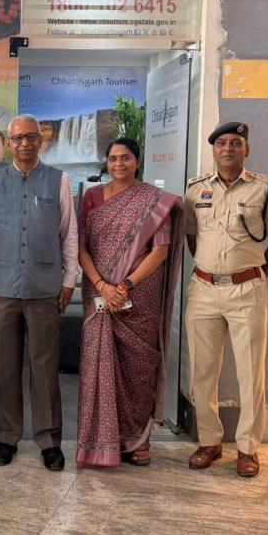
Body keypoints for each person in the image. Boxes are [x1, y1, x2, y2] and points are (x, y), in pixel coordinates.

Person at [184, 122, 268, 478]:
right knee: (202, 371)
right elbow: (192, 237)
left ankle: (247, 447)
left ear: (247, 150)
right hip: (203, 290)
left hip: (247, 291)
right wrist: (212, 270)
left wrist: (253, 275)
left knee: (250, 372)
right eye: (221, 143)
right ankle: (209, 441)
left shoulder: (265, 188)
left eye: (236, 143)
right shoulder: (195, 189)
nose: (228, 149)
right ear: (213, 150)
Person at [0, 115, 79, 470]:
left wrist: (69, 281)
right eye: (17, 138)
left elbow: (69, 234)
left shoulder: (59, 180)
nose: (24, 143)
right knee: (5, 367)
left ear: (40, 140)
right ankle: (7, 437)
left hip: (44, 288)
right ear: (9, 143)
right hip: (2, 288)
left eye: (30, 137)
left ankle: (49, 441)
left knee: (44, 369)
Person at [76, 138, 184, 467]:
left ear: (138, 161)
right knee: (98, 365)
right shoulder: (92, 197)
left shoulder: (154, 200)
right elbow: (81, 247)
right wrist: (102, 286)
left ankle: (138, 439)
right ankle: (100, 441)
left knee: (138, 366)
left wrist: (123, 286)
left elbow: (160, 251)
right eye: (113, 159)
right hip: (98, 293)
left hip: (139, 295)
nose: (119, 164)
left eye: (125, 158)